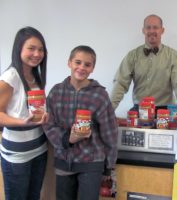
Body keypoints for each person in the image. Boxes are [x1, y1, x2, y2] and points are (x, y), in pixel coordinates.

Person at [43, 45, 118, 200]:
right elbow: (49, 125)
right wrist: (67, 139)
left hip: (92, 162)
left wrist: (109, 167)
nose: (82, 67)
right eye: (78, 62)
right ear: (69, 63)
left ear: (92, 68)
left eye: (87, 64)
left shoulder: (100, 95)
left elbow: (110, 132)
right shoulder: (56, 92)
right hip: (64, 160)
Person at [0, 26, 48, 200]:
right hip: (17, 155)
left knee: (33, 196)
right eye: (31, 48)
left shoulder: (36, 76)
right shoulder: (10, 77)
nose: (37, 54)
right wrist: (22, 122)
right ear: (19, 48)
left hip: (39, 149)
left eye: (41, 49)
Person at [110, 14, 177, 111]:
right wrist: (108, 111)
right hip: (139, 110)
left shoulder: (173, 56)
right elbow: (120, 83)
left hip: (164, 111)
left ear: (162, 30)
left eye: (155, 27)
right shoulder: (132, 56)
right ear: (143, 30)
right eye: (148, 27)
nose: (152, 31)